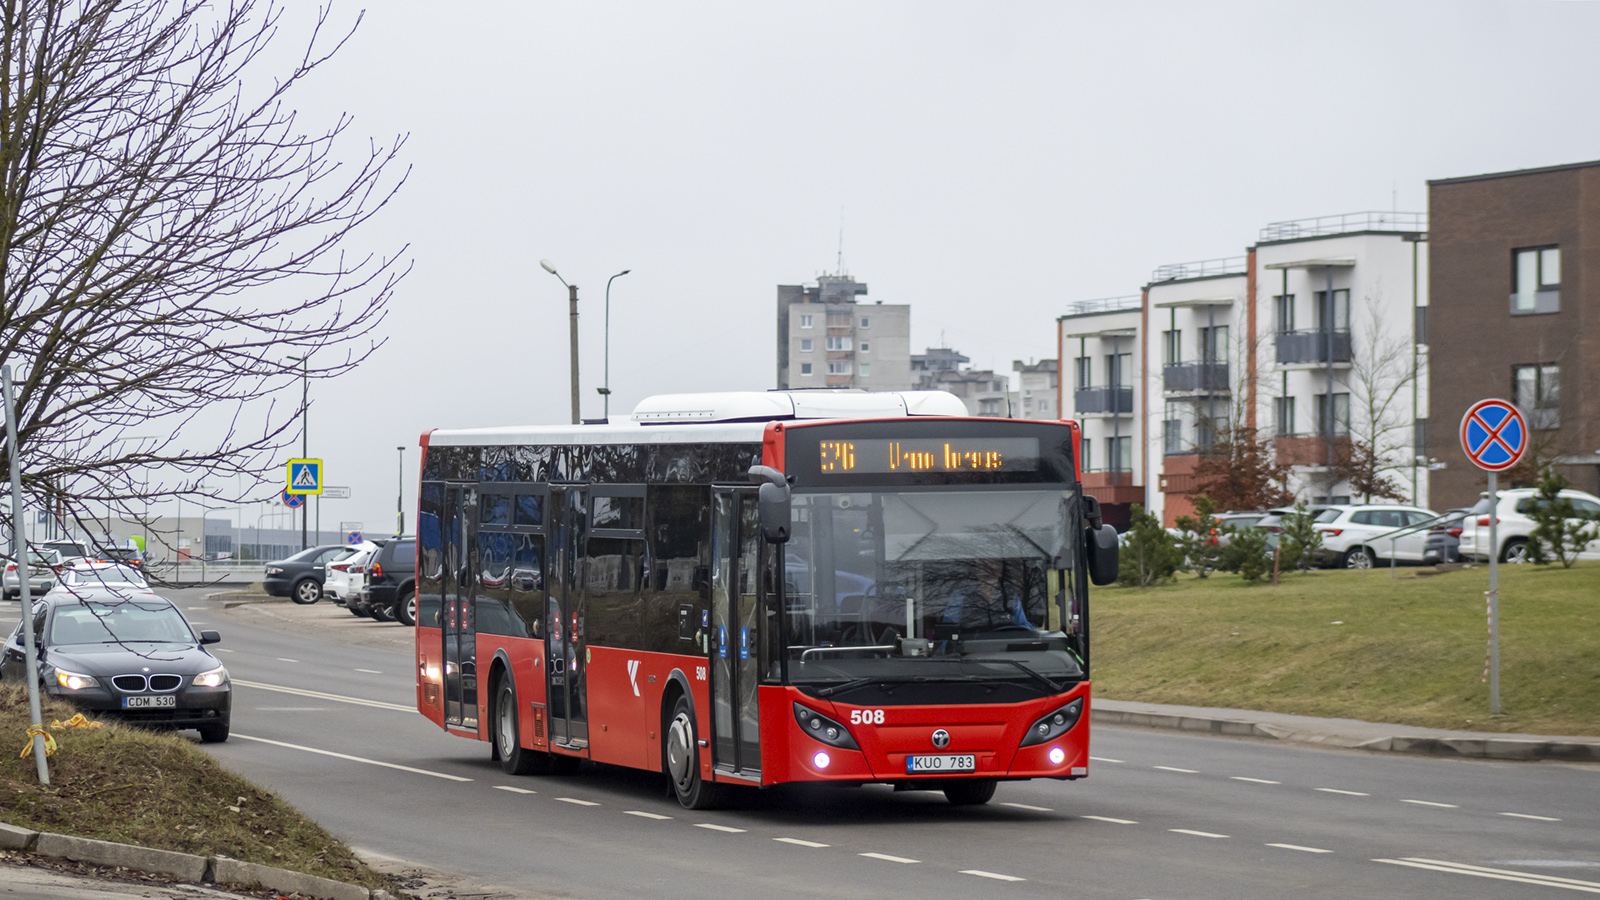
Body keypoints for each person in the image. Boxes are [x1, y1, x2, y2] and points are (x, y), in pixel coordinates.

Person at [939, 559, 1030, 633]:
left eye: (994, 565)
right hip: (970, 653)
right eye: (983, 565)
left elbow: (1024, 630)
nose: (989, 569)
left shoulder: (1011, 597)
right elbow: (948, 632)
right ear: (976, 569)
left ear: (1000, 570)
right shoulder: (961, 595)